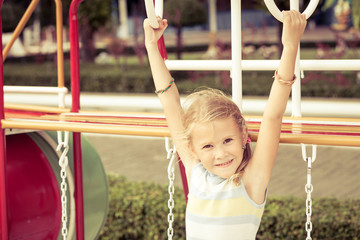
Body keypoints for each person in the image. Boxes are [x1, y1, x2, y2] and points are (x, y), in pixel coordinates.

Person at [144, 10, 307, 240]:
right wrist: (152, 46)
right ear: (192, 148)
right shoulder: (196, 171)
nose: (220, 154)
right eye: (208, 146)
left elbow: (273, 116)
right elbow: (169, 100)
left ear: (244, 136)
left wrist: (290, 47)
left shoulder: (252, 180)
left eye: (227, 140)